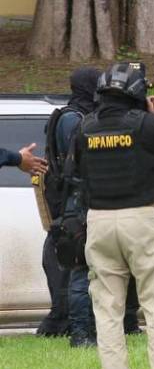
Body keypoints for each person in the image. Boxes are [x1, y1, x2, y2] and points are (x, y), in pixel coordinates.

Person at [69, 62, 154, 369]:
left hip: (99, 221)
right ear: (137, 92)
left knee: (107, 309)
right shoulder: (149, 124)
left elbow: (74, 170)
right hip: (141, 219)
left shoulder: (85, 126)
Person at [36, 67, 99, 339]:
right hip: (73, 201)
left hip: (67, 201)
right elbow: (81, 161)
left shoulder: (70, 115)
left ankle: (63, 323)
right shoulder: (75, 119)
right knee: (77, 268)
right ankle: (72, 326)